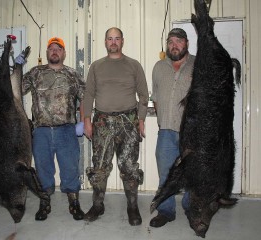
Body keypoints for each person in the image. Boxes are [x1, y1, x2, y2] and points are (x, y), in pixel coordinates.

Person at [83, 27, 149, 226]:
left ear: (122, 41)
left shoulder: (134, 65)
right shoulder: (96, 66)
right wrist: (87, 120)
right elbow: (88, 95)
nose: (113, 42)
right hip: (102, 123)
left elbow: (144, 95)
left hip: (128, 123)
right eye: (110, 39)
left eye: (117, 39)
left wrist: (141, 119)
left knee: (129, 167)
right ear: (105, 42)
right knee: (100, 168)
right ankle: (98, 205)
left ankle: (132, 206)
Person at [15, 37, 85, 220]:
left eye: (58, 48)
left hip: (67, 131)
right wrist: (16, 68)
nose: (55, 51)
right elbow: (16, 89)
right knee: (43, 169)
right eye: (51, 48)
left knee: (70, 168)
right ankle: (45, 202)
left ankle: (74, 203)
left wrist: (84, 121)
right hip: (41, 131)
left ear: (64, 53)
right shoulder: (35, 73)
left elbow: (86, 97)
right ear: (47, 53)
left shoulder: (73, 74)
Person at [150, 28, 195, 227]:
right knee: (166, 174)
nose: (174, 45)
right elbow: (156, 98)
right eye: (170, 42)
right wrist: (163, 120)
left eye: (178, 41)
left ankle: (192, 207)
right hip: (166, 131)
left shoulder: (198, 65)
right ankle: (166, 211)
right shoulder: (159, 67)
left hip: (192, 133)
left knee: (193, 173)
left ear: (186, 43)